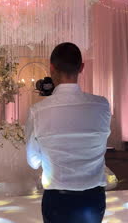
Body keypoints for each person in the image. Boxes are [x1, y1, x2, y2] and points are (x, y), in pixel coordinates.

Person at [25, 42, 111, 223]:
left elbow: (33, 161)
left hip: (58, 199)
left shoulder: (38, 111)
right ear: (81, 68)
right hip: (94, 198)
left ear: (51, 68)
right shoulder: (102, 105)